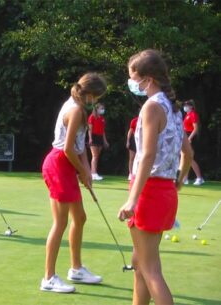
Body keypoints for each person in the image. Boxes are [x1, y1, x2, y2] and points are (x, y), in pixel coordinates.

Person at [118, 49, 193, 305]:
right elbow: (188, 153)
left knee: (151, 271)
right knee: (140, 264)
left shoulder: (152, 107)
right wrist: (179, 182)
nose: (132, 83)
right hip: (165, 192)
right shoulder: (173, 108)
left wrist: (132, 200)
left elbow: (147, 156)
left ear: (148, 79)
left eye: (133, 77)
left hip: (149, 192)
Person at [40, 72, 107, 293]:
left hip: (68, 164)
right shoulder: (76, 109)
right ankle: (48, 278)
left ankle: (76, 269)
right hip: (59, 164)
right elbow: (68, 149)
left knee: (80, 217)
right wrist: (82, 172)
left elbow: (80, 148)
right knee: (60, 223)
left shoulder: (79, 107)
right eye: (96, 96)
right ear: (90, 93)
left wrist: (86, 171)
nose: (96, 101)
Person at [182, 99, 205, 185]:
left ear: (191, 106)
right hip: (186, 136)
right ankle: (185, 179)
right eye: (185, 105)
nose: (185, 107)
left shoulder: (193, 114)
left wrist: (189, 138)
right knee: (186, 158)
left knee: (190, 158)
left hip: (190, 136)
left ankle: (199, 178)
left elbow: (195, 129)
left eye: (187, 105)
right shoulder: (187, 115)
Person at [88, 103, 109, 181]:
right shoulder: (92, 117)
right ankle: (93, 173)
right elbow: (90, 129)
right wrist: (90, 138)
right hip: (94, 137)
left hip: (100, 137)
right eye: (101, 108)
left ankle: (94, 172)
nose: (102, 110)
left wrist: (105, 141)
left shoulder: (102, 118)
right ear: (96, 109)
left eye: (103, 108)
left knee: (97, 156)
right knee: (94, 156)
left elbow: (103, 131)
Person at [126, 115, 139, 181]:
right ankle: (130, 173)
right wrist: (128, 141)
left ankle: (138, 173)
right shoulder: (134, 120)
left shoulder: (147, 119)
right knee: (132, 157)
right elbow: (130, 131)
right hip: (133, 140)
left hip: (142, 140)